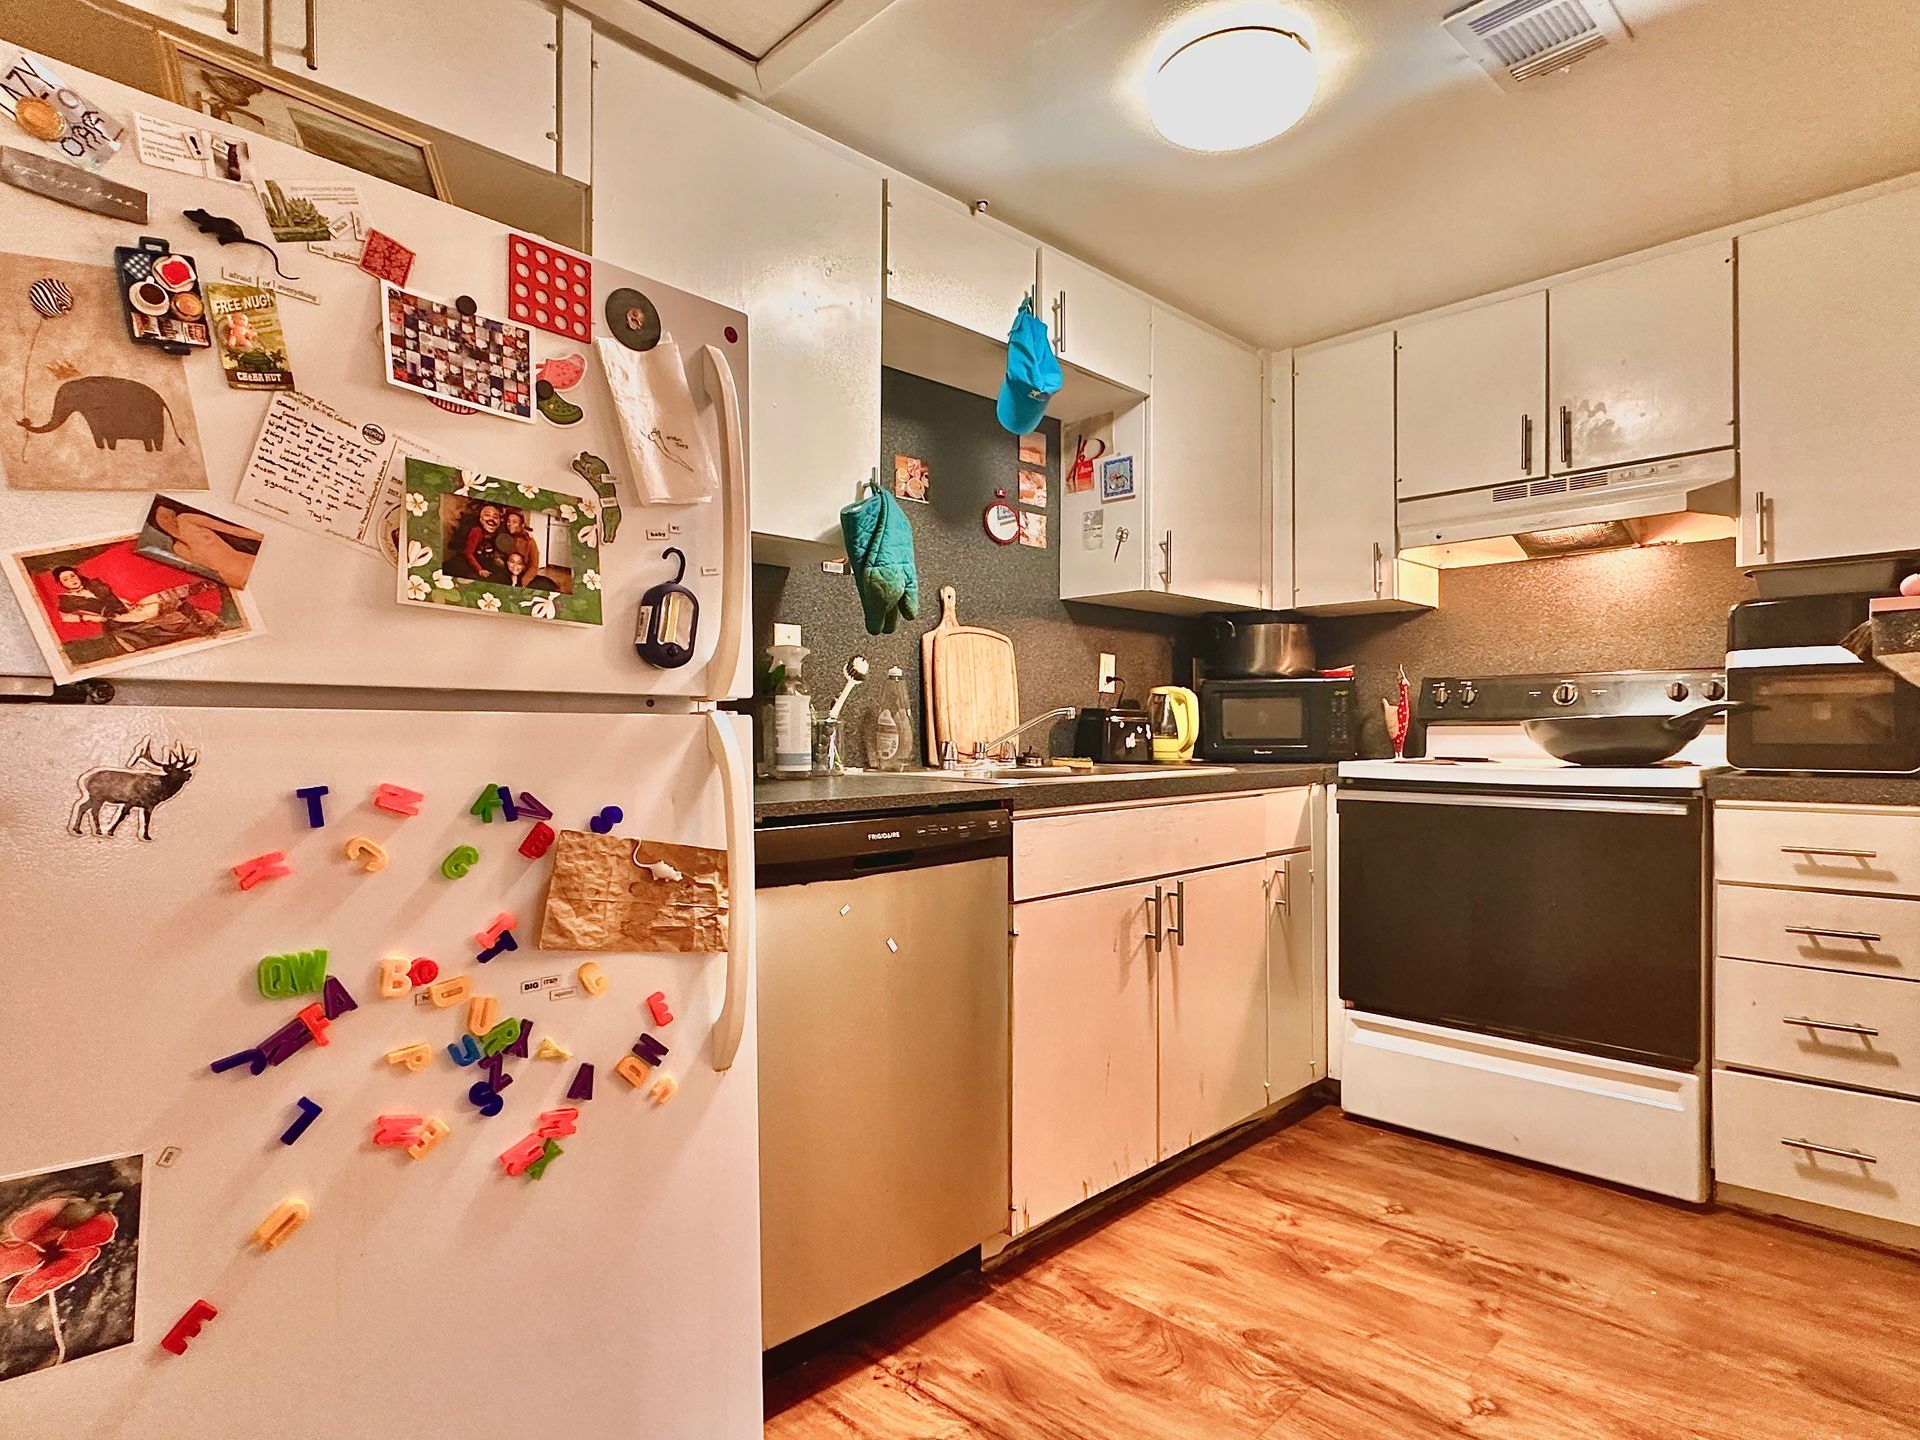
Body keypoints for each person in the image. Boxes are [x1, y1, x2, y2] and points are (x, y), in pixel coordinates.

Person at [49, 564, 221, 654]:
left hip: (127, 609)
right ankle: (199, 619)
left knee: (157, 596)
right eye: (66, 579)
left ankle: (196, 588)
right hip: (119, 619)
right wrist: (90, 618)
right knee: (171, 603)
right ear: (61, 584)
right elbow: (65, 617)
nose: (72, 580)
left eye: (72, 575)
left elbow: (112, 597)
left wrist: (126, 602)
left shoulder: (93, 584)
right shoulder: (67, 601)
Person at [450, 503, 508, 582]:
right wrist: (480, 569)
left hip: (484, 561)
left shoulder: (498, 534)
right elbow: (468, 553)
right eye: (487, 515)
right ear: (481, 519)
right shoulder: (477, 531)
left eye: (495, 517)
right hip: (468, 563)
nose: (491, 519)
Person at [495, 508, 540, 582]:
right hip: (507, 574)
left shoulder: (529, 541)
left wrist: (523, 582)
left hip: (524, 576)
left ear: (521, 524)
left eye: (514, 522)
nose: (510, 524)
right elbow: (497, 557)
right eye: (508, 521)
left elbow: (534, 566)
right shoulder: (505, 537)